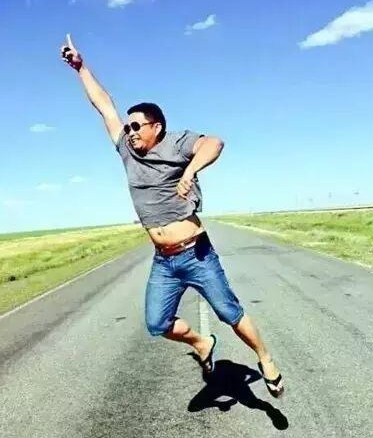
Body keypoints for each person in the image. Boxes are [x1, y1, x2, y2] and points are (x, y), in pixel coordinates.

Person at [60, 34, 284, 396]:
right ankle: (201, 343)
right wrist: (80, 67)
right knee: (157, 323)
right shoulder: (127, 151)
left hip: (197, 254)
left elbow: (214, 143)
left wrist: (190, 171)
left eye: (137, 126)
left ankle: (265, 358)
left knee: (229, 312)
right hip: (164, 261)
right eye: (128, 127)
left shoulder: (177, 143)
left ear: (156, 128)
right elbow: (105, 106)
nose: (130, 132)